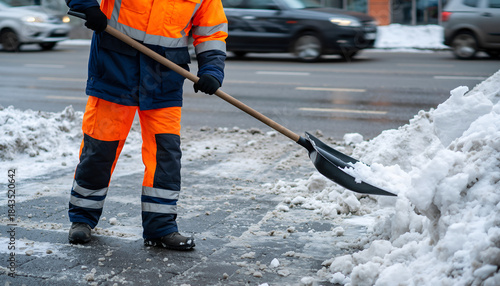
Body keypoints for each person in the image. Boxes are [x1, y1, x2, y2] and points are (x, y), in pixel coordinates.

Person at [65, 0, 228, 250]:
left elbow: (211, 32)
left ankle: (160, 229)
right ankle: (82, 219)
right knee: (100, 148)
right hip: (114, 69)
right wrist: (87, 6)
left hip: (164, 77)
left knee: (165, 154)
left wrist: (212, 71)